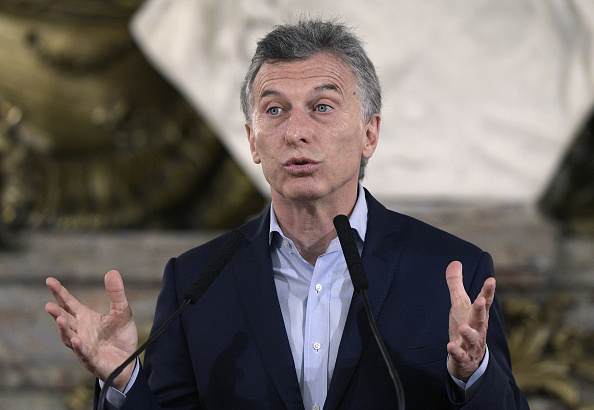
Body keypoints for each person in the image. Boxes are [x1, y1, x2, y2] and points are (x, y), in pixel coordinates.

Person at [46, 18, 529, 409]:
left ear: (369, 134)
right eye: (274, 111)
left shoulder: (447, 271)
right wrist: (126, 382)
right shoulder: (196, 281)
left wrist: (473, 375)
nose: (297, 131)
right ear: (253, 141)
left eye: (322, 107)